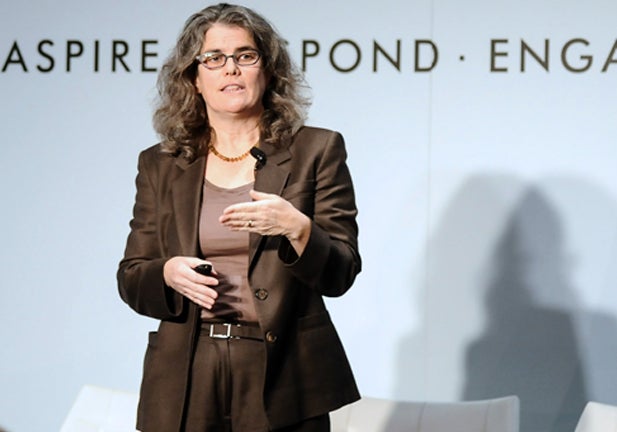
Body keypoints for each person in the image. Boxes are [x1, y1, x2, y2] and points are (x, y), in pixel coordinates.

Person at [117, 3, 361, 432]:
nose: (230, 68)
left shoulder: (316, 150)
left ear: (268, 70)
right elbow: (132, 277)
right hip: (187, 370)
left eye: (245, 56)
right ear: (194, 78)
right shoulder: (160, 164)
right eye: (213, 58)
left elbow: (340, 273)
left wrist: (297, 228)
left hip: (284, 371)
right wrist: (167, 273)